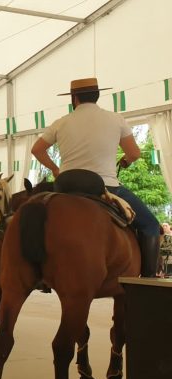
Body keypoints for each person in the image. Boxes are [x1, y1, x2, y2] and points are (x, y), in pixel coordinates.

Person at [31, 77, 161, 277]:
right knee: (150, 225)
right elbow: (134, 153)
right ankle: (147, 281)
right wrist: (125, 161)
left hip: (65, 188)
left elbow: (37, 150)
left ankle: (36, 272)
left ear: (74, 99)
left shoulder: (61, 122)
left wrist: (56, 169)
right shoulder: (116, 119)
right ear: (97, 95)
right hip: (107, 186)